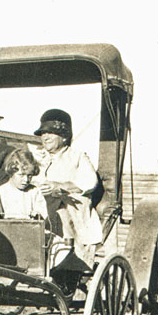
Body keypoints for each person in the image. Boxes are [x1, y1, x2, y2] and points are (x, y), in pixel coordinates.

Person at [32, 108, 103, 266]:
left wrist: (60, 186)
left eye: (51, 132)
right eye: (43, 133)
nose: (45, 137)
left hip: (71, 210)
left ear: (64, 136)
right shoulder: (37, 157)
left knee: (62, 214)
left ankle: (68, 260)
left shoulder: (77, 157)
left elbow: (89, 182)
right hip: (41, 209)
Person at [0, 148, 49, 220]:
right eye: (21, 175)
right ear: (11, 171)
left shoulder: (34, 192)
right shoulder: (0, 192)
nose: (26, 180)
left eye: (29, 176)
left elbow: (42, 217)